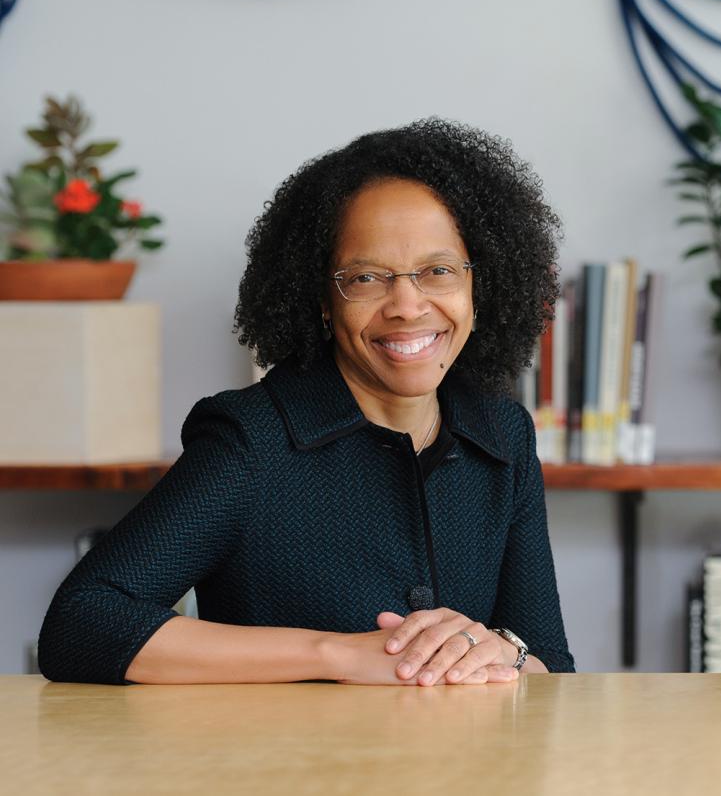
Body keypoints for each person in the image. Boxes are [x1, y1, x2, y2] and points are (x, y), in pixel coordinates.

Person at [38, 119, 575, 685]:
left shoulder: (503, 433)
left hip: (461, 770)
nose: (408, 306)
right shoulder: (253, 439)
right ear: (323, 300)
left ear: (477, 286)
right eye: (367, 278)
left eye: (438, 271)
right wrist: (337, 655)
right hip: (288, 768)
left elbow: (549, 666)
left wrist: (502, 654)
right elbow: (80, 625)